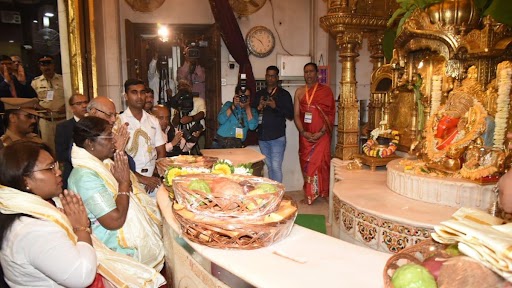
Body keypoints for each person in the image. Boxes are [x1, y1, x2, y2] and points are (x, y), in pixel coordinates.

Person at [67, 116, 165, 271]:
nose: (114, 141)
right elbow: (114, 221)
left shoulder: (104, 164)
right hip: (116, 250)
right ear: (90, 144)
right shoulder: (84, 177)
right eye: (108, 136)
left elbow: (128, 195)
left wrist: (125, 184)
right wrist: (124, 184)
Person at [0, 141, 97, 287]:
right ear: (25, 180)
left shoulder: (44, 205)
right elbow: (82, 276)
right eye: (50, 168)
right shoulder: (32, 230)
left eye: (56, 166)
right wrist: (81, 229)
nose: (58, 172)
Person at [294, 62, 335, 205]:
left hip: (322, 136)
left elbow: (330, 115)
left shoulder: (326, 91)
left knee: (323, 163)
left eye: (311, 71)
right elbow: (296, 115)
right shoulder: (299, 92)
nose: (308, 74)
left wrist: (321, 132)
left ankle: (323, 192)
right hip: (305, 136)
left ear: (317, 73)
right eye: (306, 72)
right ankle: (309, 194)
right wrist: (303, 132)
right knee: (307, 164)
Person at [119, 79, 165, 195]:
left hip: (153, 178)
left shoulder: (153, 120)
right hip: (130, 178)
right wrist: (141, 178)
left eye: (142, 92)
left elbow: (161, 151)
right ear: (126, 96)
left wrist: (155, 174)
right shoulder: (119, 122)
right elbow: (117, 156)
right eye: (134, 92)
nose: (139, 96)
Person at [252, 65, 294, 182]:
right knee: (270, 167)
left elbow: (290, 115)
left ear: (277, 78)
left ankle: (279, 195)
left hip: (277, 137)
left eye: (273, 76)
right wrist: (259, 106)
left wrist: (275, 107)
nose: (270, 78)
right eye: (268, 76)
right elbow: (252, 112)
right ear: (265, 77)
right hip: (262, 136)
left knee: (276, 167)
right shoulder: (260, 93)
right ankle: (273, 193)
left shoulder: (284, 94)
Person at [31, 55, 66, 152]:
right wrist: (41, 108)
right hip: (45, 121)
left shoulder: (63, 80)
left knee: (64, 145)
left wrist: (65, 106)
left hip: (62, 119)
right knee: (48, 147)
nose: (46, 67)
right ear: (40, 67)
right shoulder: (35, 82)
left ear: (53, 65)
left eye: (49, 63)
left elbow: (70, 96)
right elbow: (33, 101)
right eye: (43, 64)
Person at [55, 93, 89, 188]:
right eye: (79, 103)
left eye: (86, 102)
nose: (84, 106)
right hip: (73, 170)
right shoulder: (63, 127)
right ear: (72, 108)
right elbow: (61, 153)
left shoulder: (94, 123)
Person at [168, 79, 206, 152]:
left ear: (190, 87)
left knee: (199, 156)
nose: (183, 89)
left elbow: (202, 114)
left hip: (197, 134)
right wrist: (178, 109)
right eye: (180, 87)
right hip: (180, 136)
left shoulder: (199, 100)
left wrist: (191, 118)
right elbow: (174, 123)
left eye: (185, 86)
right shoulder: (176, 103)